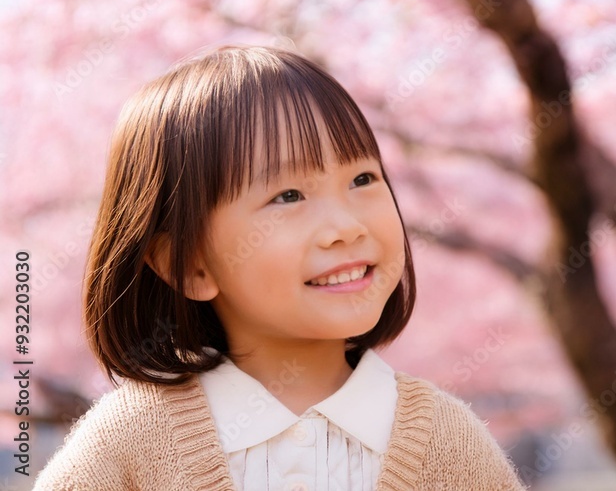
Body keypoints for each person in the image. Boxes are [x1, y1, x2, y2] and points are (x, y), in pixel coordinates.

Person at [33, 45, 526, 490]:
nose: (346, 227)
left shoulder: (447, 442)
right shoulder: (132, 442)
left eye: (362, 178)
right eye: (288, 196)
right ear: (189, 266)